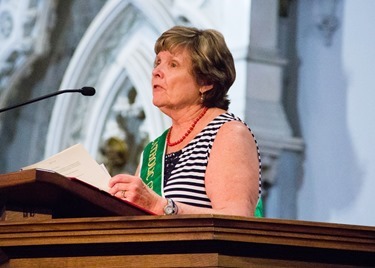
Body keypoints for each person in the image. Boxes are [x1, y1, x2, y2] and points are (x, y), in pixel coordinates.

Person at [108, 25, 263, 217]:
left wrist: (161, 206)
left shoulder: (228, 133)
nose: (157, 71)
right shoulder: (153, 150)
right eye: (157, 62)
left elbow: (237, 219)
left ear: (206, 82)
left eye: (173, 64)